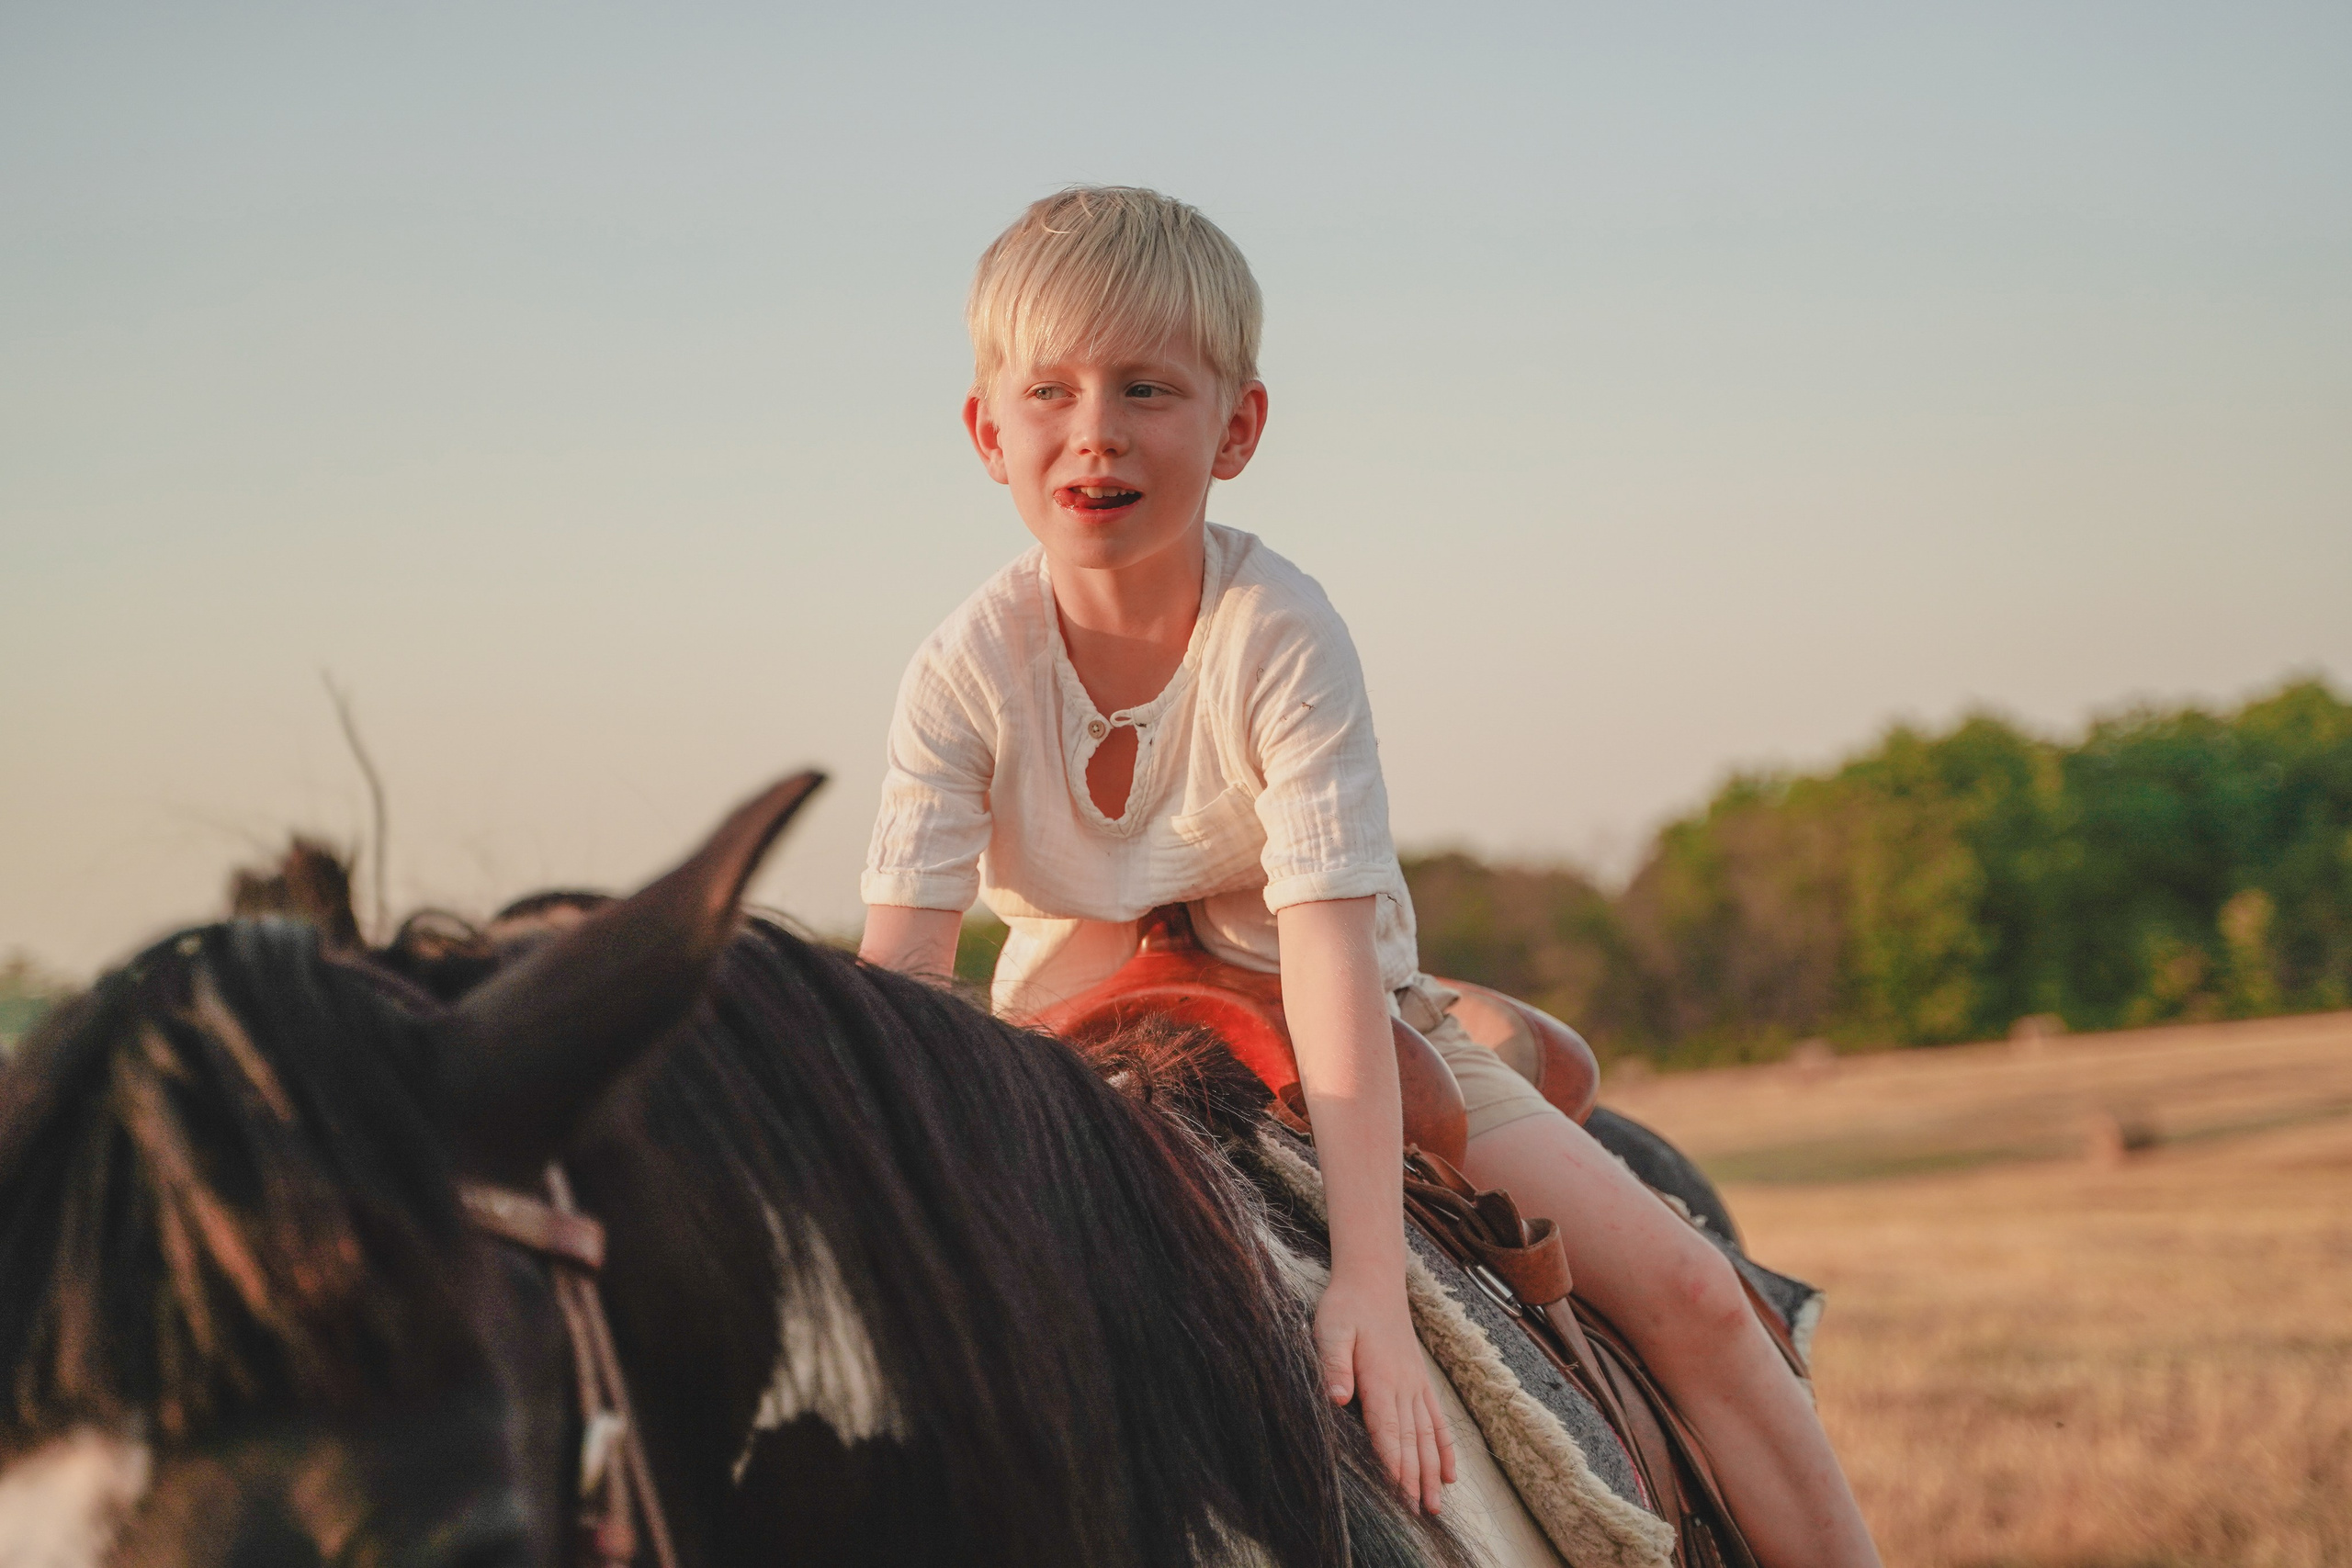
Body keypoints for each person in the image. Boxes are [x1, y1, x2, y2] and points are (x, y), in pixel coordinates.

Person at [859, 185, 1880, 1565]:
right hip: (1076, 1060)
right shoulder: (961, 670)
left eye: (1148, 387)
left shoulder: (1277, 631)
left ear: (1238, 426)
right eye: (1051, 390)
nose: (1096, 428)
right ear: (990, 432)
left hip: (1331, 1021)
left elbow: (1331, 960)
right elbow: (902, 996)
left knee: (1699, 1301)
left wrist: (1371, 1291)